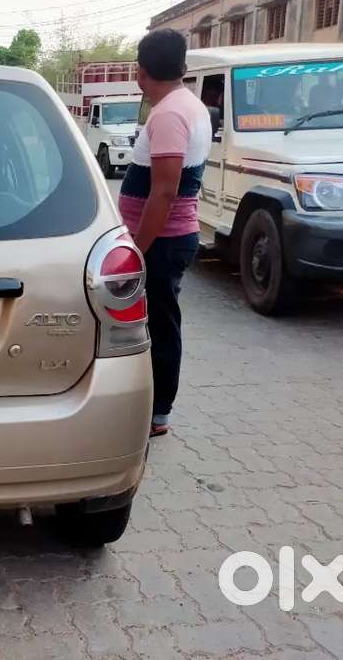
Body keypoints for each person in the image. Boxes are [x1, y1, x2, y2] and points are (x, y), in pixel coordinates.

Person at [119, 29, 212, 437]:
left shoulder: (171, 113)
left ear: (140, 72)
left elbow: (165, 189)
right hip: (167, 238)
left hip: (162, 241)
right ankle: (155, 408)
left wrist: (137, 249)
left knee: (159, 324)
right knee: (159, 320)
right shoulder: (186, 104)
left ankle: (158, 412)